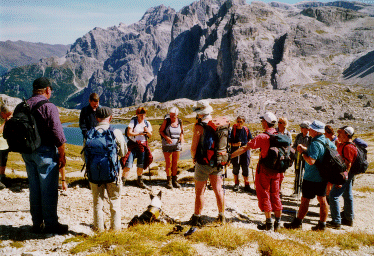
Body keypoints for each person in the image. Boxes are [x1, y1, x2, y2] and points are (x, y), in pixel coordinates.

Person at [20, 77, 68, 234]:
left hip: (27, 153)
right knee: (48, 189)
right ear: (47, 90)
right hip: (45, 153)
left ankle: (36, 223)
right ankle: (51, 224)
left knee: (34, 188)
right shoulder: (49, 106)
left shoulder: (22, 105)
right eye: (51, 90)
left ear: (34, 90)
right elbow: (58, 134)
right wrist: (62, 155)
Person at [231, 112, 283, 231]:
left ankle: (268, 223)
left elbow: (246, 147)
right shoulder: (279, 135)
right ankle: (278, 223)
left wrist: (231, 155)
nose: (261, 123)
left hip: (264, 170)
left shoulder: (263, 136)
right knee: (275, 194)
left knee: (264, 194)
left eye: (262, 121)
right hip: (277, 170)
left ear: (265, 122)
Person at [284, 120, 336, 231]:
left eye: (311, 128)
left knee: (305, 200)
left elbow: (311, 160)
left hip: (312, 177)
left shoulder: (315, 143)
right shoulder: (326, 141)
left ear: (316, 131)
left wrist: (303, 153)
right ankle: (322, 225)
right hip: (323, 176)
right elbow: (320, 153)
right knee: (322, 200)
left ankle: (297, 223)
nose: (309, 130)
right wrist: (306, 149)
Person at [83, 106, 127, 232]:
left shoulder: (89, 133)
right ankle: (115, 229)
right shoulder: (116, 132)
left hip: (94, 174)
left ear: (96, 118)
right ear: (110, 118)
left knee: (97, 202)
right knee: (115, 201)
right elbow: (123, 152)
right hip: (113, 173)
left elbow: (84, 156)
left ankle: (98, 229)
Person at [189, 100, 225, 226]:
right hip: (218, 162)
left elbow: (193, 148)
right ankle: (222, 216)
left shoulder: (199, 126)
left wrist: (194, 158)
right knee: (218, 190)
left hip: (203, 162)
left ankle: (196, 217)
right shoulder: (218, 124)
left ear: (200, 113)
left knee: (200, 191)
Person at [327, 126, 357, 229]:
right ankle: (349, 218)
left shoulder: (348, 147)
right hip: (348, 174)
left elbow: (347, 165)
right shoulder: (345, 145)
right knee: (347, 195)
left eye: (341, 133)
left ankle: (336, 221)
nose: (338, 134)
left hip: (345, 174)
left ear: (347, 134)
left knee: (333, 196)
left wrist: (341, 180)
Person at [122, 107, 153, 189]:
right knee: (128, 163)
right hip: (133, 145)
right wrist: (140, 133)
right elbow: (129, 133)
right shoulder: (133, 121)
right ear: (137, 114)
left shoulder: (147, 123)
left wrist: (147, 131)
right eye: (140, 115)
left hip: (142, 146)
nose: (142, 116)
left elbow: (150, 135)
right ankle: (123, 181)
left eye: (144, 115)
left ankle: (139, 180)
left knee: (141, 164)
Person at [159, 107, 184, 189]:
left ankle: (174, 180)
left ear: (177, 115)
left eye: (173, 116)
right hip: (167, 145)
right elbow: (161, 131)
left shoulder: (180, 121)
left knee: (175, 163)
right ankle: (168, 181)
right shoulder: (166, 121)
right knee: (168, 163)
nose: (172, 117)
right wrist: (166, 138)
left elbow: (182, 132)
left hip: (177, 145)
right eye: (171, 115)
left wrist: (181, 138)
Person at [229, 116, 255, 194]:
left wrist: (250, 144)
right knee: (236, 167)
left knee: (245, 167)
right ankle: (236, 183)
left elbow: (250, 138)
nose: (239, 123)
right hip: (236, 151)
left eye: (241, 121)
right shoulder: (233, 130)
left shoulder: (246, 130)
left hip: (245, 151)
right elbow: (229, 142)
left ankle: (246, 185)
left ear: (244, 122)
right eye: (238, 121)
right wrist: (235, 144)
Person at [291, 121, 312, 196]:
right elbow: (294, 145)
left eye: (303, 127)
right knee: (297, 174)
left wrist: (303, 148)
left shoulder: (310, 137)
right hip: (298, 158)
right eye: (301, 127)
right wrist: (294, 149)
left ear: (307, 129)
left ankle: (306, 192)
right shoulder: (298, 136)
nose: (301, 129)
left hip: (306, 159)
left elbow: (311, 149)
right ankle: (296, 191)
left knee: (307, 175)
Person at [0, 105, 13, 190]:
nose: (9, 117)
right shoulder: (3, 121)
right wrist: (5, 122)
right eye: (8, 115)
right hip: (0, 145)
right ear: (2, 113)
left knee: (3, 161)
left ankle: (2, 177)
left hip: (5, 145)